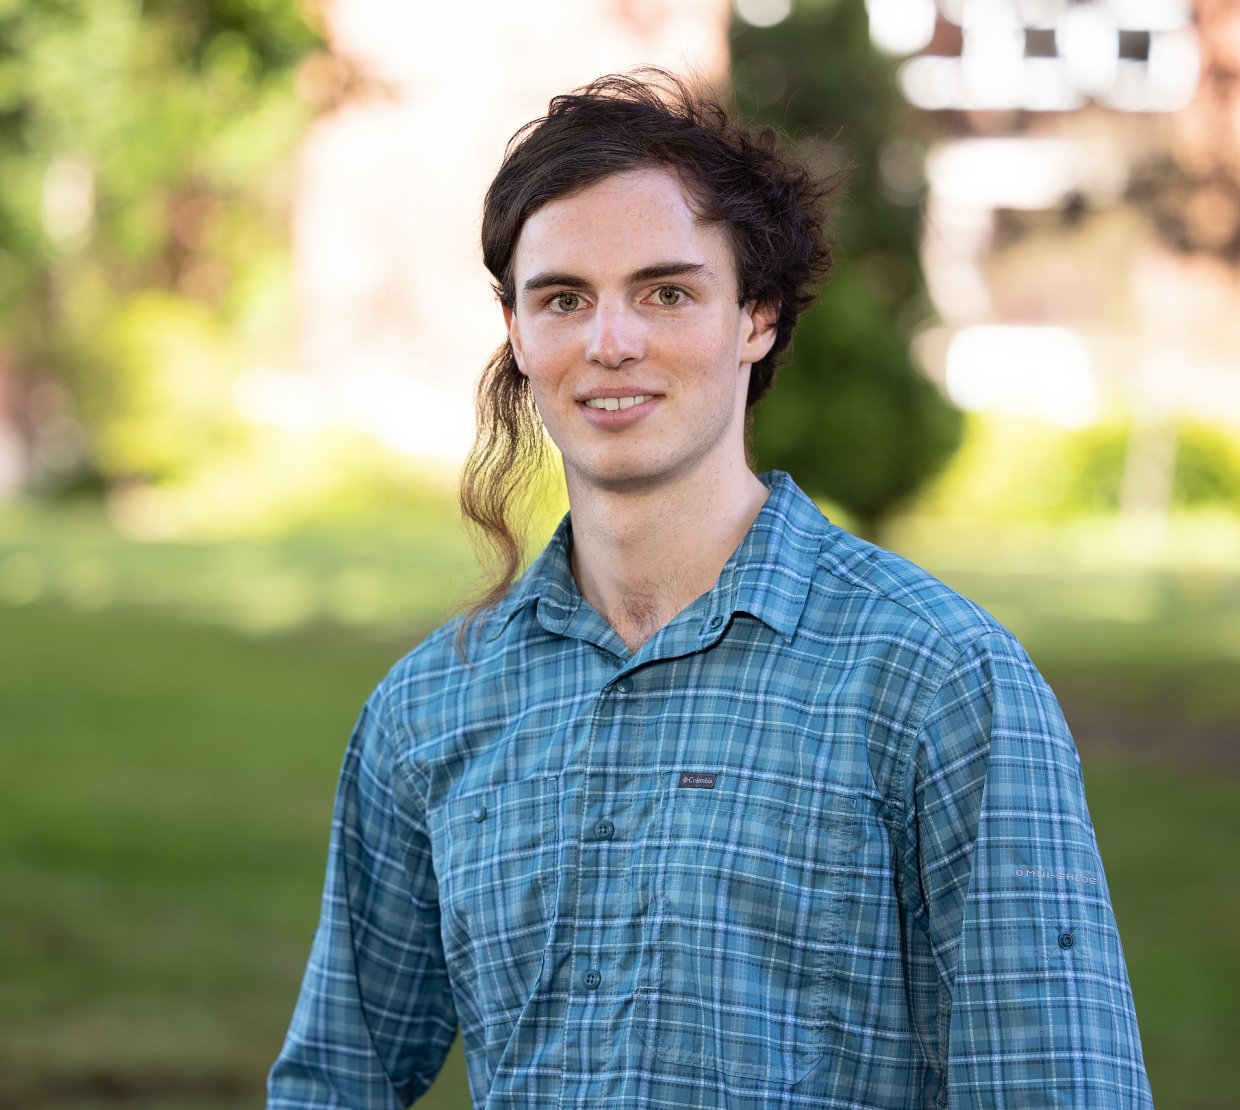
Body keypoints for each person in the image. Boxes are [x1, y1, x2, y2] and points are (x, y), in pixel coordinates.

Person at [269, 70, 1152, 1108]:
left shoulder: (939, 683)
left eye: (666, 292)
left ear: (757, 319)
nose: (611, 343)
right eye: (564, 298)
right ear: (515, 330)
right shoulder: (428, 712)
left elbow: (1056, 1085)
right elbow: (336, 1081)